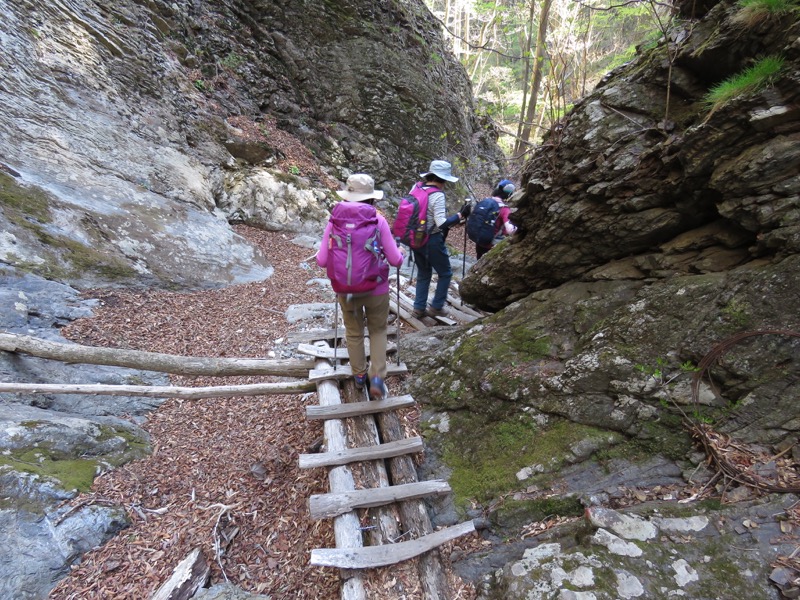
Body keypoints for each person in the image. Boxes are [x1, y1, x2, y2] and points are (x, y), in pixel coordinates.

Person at [316, 174, 405, 400]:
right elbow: (395, 260)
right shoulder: (378, 221)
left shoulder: (334, 221)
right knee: (378, 330)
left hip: (346, 291)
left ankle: (358, 375)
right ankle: (376, 378)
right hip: (376, 288)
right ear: (371, 198)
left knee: (354, 332)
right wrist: (400, 253)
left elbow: (322, 260)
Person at [409, 160, 470, 319]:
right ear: (442, 179)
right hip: (432, 239)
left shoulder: (416, 188)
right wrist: (460, 215)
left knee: (423, 272)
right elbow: (441, 223)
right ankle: (436, 306)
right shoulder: (437, 195)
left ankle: (418, 308)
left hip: (415, 238)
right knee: (445, 273)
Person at [474, 179, 517, 259]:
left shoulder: (485, 202)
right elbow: (510, 230)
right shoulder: (504, 209)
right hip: (492, 245)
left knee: (479, 263)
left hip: (479, 241)